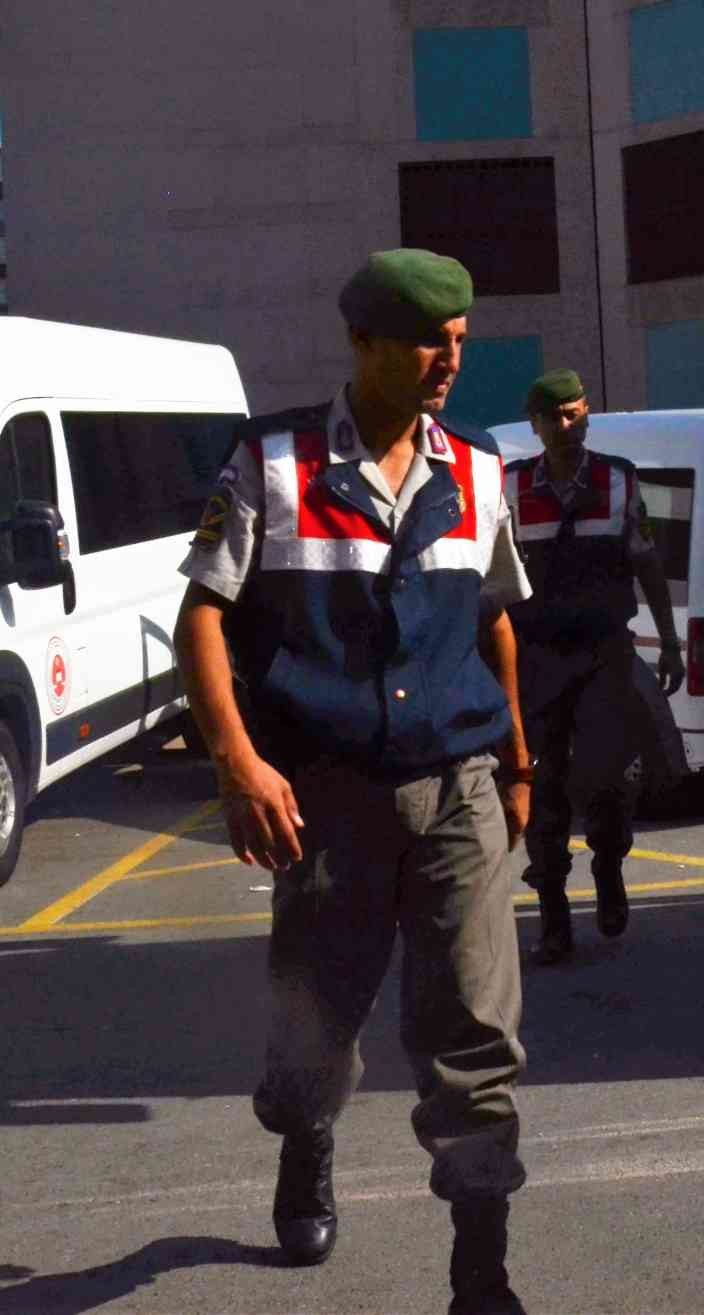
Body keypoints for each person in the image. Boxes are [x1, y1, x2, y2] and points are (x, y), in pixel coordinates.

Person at [174, 249, 534, 1315]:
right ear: (363, 341)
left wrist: (519, 764)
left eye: (459, 340)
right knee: (311, 1044)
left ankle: (482, 1274)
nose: (449, 360)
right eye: (427, 341)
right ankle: (308, 1137)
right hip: (327, 800)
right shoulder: (272, 461)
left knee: (476, 1035)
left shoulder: (478, 467)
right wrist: (238, 762)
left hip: (457, 785)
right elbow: (202, 615)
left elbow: (495, 622)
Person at [504, 368, 685, 966]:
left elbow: (647, 562)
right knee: (544, 786)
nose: (568, 426)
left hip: (604, 653)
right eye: (556, 417)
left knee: (607, 778)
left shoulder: (617, 478)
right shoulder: (510, 485)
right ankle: (553, 915)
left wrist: (670, 640)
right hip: (538, 659)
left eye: (576, 414)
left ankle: (609, 867)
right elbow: (490, 578)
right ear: (535, 424)